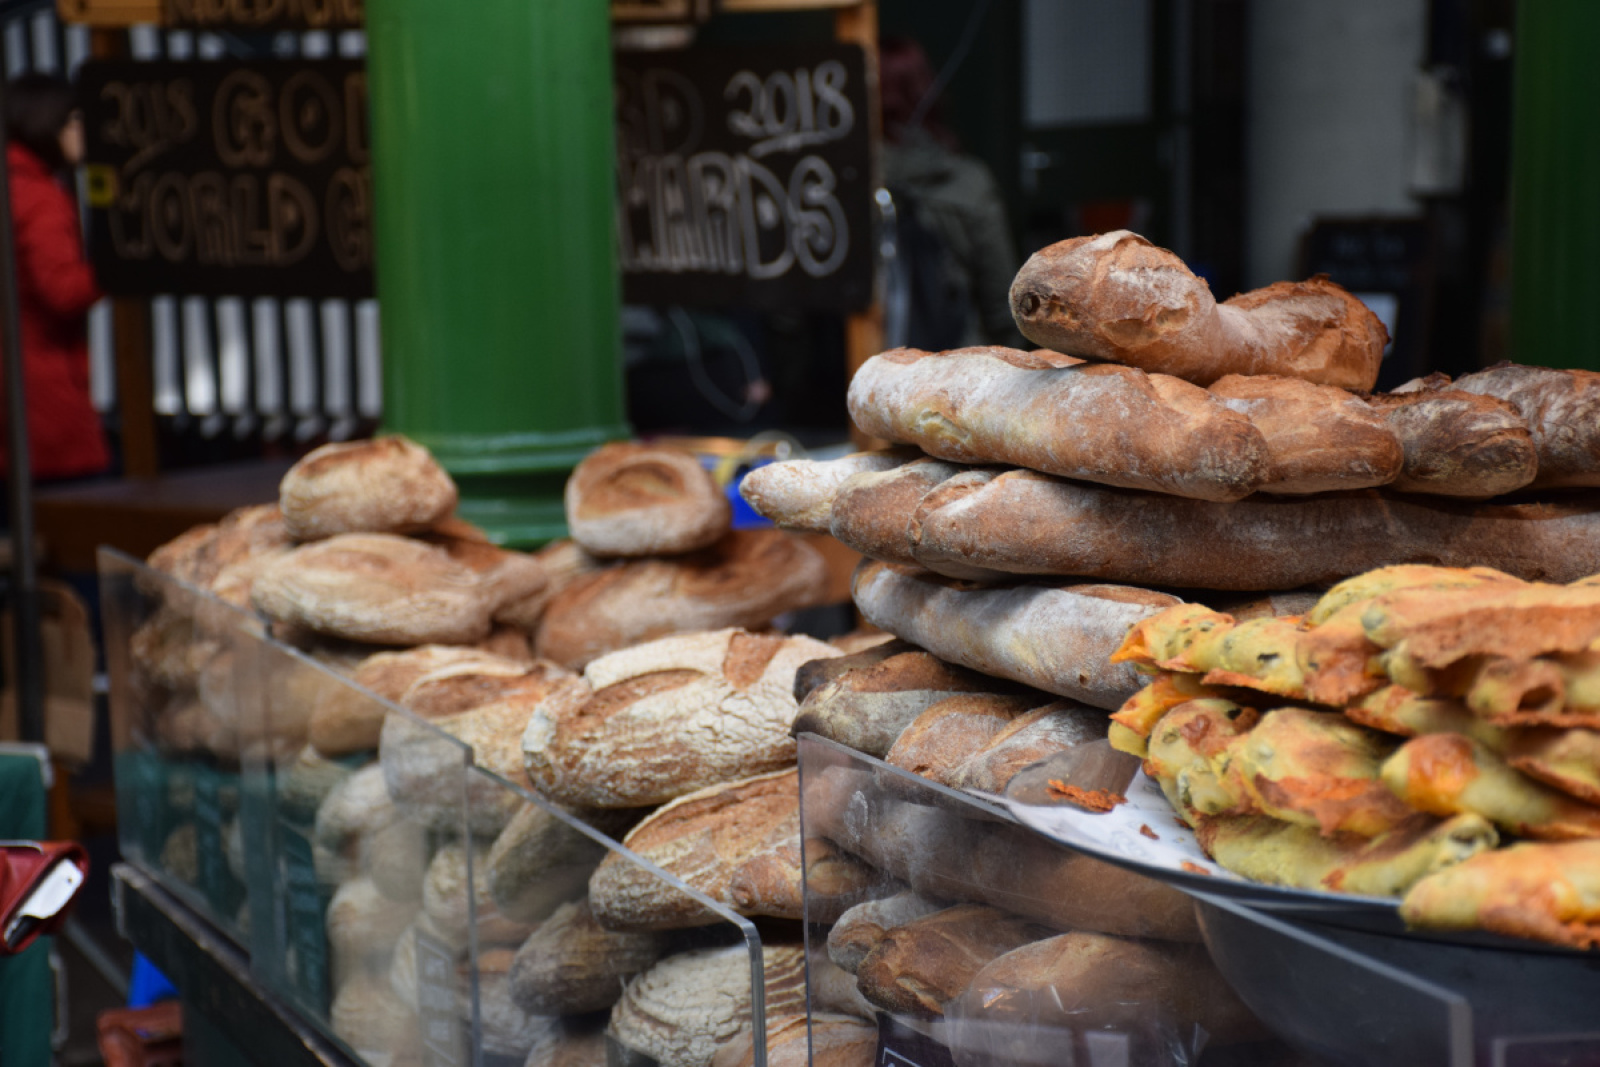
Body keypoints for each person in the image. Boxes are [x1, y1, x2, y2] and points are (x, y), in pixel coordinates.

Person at [878, 36, 1026, 351]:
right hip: (955, 376)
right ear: (924, 89)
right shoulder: (968, 183)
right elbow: (1004, 308)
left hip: (862, 376)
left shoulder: (831, 187)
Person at [2, 74, 109, 483]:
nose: (84, 132)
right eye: (76, 120)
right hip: (42, 389)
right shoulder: (39, 197)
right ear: (49, 123)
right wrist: (118, 269)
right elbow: (62, 291)